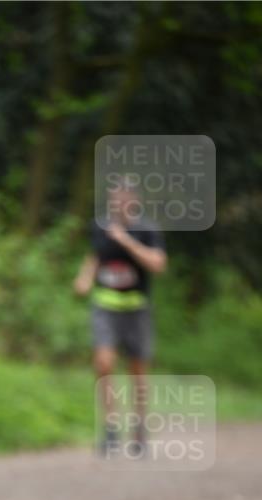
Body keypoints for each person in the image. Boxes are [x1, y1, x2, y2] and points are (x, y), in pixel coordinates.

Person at [74, 180, 167, 457]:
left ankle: (139, 429)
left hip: (136, 308)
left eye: (123, 199)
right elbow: (95, 257)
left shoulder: (147, 230)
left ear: (134, 201)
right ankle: (110, 428)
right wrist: (84, 278)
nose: (118, 204)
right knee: (104, 364)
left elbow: (158, 264)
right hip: (105, 306)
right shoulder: (100, 226)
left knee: (137, 370)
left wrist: (126, 240)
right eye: (114, 199)